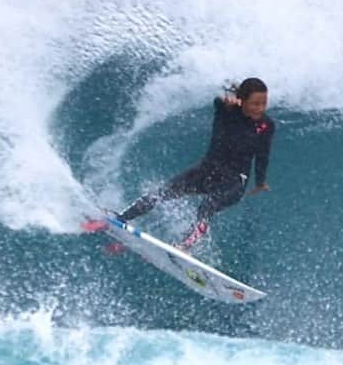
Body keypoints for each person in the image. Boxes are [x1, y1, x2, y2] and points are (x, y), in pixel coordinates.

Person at [116, 77, 275, 251]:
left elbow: (262, 155)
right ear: (242, 100)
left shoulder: (267, 125)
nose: (261, 108)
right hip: (206, 171)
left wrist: (260, 182)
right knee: (160, 194)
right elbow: (219, 100)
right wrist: (228, 103)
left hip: (234, 181)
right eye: (255, 103)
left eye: (263, 103)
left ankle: (185, 246)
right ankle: (121, 218)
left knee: (207, 206)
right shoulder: (226, 109)